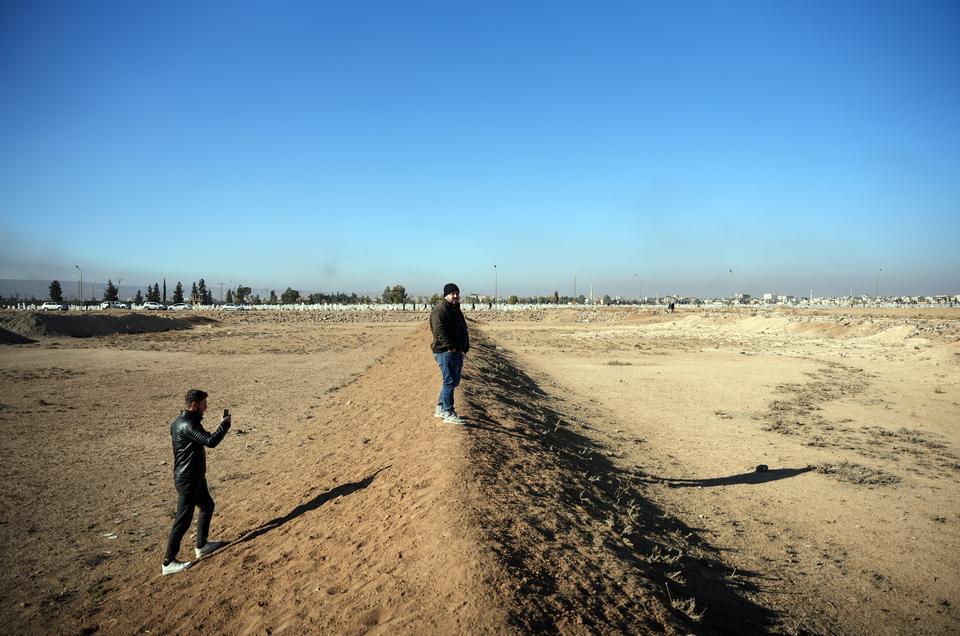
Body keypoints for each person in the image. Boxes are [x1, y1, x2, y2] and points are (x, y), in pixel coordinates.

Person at [161, 389, 232, 575]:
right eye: (203, 404)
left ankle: (201, 545)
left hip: (195, 477)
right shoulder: (187, 425)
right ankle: (168, 562)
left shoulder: (181, 422)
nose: (206, 407)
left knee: (207, 505)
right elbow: (210, 441)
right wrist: (224, 426)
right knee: (182, 521)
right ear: (194, 405)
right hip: (188, 480)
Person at [430, 283, 470, 425]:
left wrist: (463, 345)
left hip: (455, 350)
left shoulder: (454, 308)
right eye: (452, 293)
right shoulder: (440, 310)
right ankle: (448, 412)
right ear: (445, 295)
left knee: (453, 381)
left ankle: (440, 407)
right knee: (449, 381)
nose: (455, 296)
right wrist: (451, 347)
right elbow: (439, 332)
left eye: (457, 293)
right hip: (445, 352)